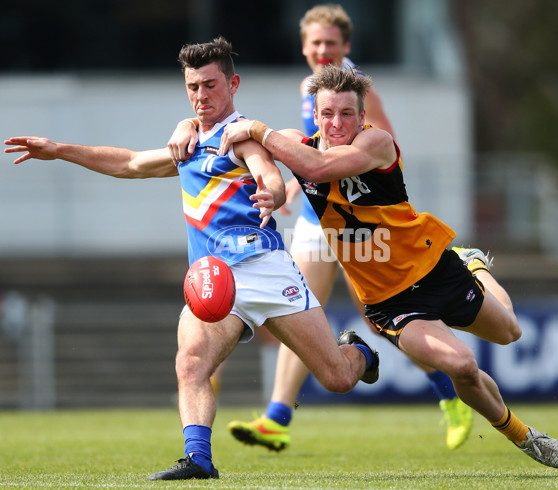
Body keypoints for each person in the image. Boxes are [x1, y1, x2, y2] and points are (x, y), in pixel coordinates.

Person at [3, 38, 380, 481]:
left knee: (336, 377)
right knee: (189, 363)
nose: (201, 96)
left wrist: (272, 194)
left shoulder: (240, 136)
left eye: (210, 85)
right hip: (213, 279)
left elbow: (269, 176)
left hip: (265, 269)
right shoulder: (186, 144)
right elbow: (129, 163)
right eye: (193, 87)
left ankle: (358, 353)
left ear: (233, 84)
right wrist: (60, 149)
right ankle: (198, 457)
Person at [210, 64, 558, 469]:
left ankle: (474, 266)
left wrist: (259, 130)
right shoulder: (298, 143)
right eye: (328, 113)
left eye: (347, 114)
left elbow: (316, 167)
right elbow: (233, 134)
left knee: (510, 331)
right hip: (389, 301)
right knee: (462, 366)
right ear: (314, 116)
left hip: (435, 269)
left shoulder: (377, 143)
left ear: (362, 117)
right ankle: (525, 437)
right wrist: (189, 129)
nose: (336, 123)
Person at [168, 3, 472, 453]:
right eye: (315, 43)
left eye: (331, 43)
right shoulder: (309, 87)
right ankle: (278, 417)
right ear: (304, 46)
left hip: (357, 225)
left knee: (381, 315)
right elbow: (310, 154)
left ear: (345, 46)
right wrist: (292, 185)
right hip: (316, 222)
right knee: (297, 315)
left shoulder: (354, 86)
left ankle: (450, 395)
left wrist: (331, 172)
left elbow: (374, 149)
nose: (323, 51)